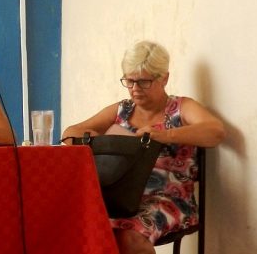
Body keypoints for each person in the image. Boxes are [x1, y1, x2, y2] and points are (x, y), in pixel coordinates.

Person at [62, 41, 226, 254]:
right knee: (74, 223)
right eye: (129, 81)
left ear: (164, 78)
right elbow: (69, 133)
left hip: (170, 199)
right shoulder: (122, 110)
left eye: (143, 82)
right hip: (121, 198)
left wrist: (165, 135)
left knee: (129, 237)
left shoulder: (180, 108)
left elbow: (216, 132)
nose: (135, 89)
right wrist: (96, 141)